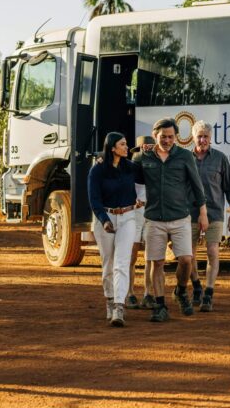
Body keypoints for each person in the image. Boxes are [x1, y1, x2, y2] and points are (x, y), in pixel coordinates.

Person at [134, 117, 208, 322]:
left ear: (176, 137)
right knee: (156, 262)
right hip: (154, 219)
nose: (167, 140)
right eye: (163, 136)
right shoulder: (143, 157)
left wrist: (203, 213)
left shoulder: (185, 156)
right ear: (155, 135)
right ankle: (159, 305)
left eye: (170, 137)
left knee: (186, 260)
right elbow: (126, 174)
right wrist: (104, 159)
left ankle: (181, 291)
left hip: (180, 218)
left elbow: (197, 187)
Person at [88, 132, 142, 327]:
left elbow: (148, 176)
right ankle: (109, 299)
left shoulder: (131, 167)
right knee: (108, 263)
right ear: (112, 148)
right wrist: (103, 220)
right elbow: (94, 199)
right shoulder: (97, 170)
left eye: (126, 144)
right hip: (106, 216)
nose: (126, 147)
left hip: (128, 217)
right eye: (122, 144)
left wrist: (146, 152)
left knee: (122, 262)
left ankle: (119, 306)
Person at [187, 120, 230, 312]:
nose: (203, 140)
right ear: (193, 137)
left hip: (214, 212)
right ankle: (196, 286)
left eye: (206, 136)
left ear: (210, 138)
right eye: (199, 136)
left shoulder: (220, 159)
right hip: (189, 213)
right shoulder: (185, 158)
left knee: (212, 251)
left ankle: (208, 292)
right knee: (189, 255)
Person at [126, 135, 156, 310]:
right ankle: (130, 293)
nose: (146, 152)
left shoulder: (157, 167)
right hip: (134, 214)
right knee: (132, 256)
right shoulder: (131, 168)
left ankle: (148, 293)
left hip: (151, 214)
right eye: (144, 148)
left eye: (151, 148)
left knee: (150, 257)